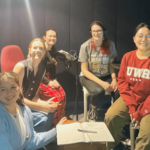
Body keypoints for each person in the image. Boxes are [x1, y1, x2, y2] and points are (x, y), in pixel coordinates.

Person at [105, 23, 150, 150]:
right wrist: (132, 107)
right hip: (132, 100)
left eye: (148, 36)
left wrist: (140, 113)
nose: (144, 39)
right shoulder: (127, 57)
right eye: (140, 35)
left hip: (148, 104)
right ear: (134, 39)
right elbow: (123, 83)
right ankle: (115, 146)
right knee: (111, 116)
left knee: (147, 134)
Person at [0, 71, 67, 150]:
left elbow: (32, 141)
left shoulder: (24, 110)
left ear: (19, 87)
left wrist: (56, 131)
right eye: (3, 89)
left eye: (13, 87)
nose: (9, 93)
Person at [13, 38, 58, 133]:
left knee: (51, 112)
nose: (38, 50)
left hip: (26, 104)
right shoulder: (21, 67)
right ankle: (31, 142)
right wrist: (41, 107)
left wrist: (45, 104)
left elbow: (34, 96)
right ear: (30, 50)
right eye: (35, 48)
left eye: (41, 48)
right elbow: (16, 98)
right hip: (15, 106)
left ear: (44, 52)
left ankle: (42, 141)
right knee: (43, 118)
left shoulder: (42, 69)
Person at [78, 21, 118, 122]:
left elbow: (111, 65)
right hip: (88, 77)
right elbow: (85, 70)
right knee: (98, 90)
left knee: (118, 89)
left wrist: (114, 79)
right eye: (93, 31)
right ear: (91, 32)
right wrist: (102, 83)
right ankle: (93, 109)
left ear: (104, 31)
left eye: (99, 30)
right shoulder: (85, 46)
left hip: (106, 75)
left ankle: (115, 116)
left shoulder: (110, 44)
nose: (96, 33)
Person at [38, 29, 66, 125]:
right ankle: (52, 124)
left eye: (54, 36)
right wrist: (49, 82)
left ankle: (59, 120)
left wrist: (54, 80)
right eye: (50, 36)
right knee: (57, 98)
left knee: (62, 95)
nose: (52, 38)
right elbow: (37, 70)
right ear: (44, 38)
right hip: (39, 79)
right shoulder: (41, 50)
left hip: (49, 77)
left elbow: (52, 68)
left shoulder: (53, 49)